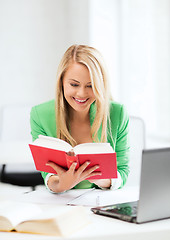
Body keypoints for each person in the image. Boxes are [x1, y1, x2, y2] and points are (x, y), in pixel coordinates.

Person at [30, 44, 130, 193]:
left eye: (91, 86)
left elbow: (122, 171)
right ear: (61, 82)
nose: (81, 93)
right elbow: (48, 175)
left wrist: (100, 178)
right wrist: (62, 184)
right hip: (62, 204)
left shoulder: (117, 113)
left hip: (100, 203)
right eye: (74, 84)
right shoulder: (40, 114)